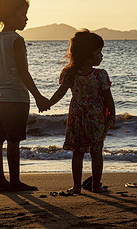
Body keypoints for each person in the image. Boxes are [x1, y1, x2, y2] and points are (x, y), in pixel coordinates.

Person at [0, 0, 49, 192]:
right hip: (17, 99)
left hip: (1, 98)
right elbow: (23, 71)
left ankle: (0, 182)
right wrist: (39, 97)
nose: (26, 19)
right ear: (11, 17)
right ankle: (14, 182)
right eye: (23, 15)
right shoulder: (17, 40)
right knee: (13, 142)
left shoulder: (0, 39)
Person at [49, 30, 115, 193]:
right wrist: (112, 115)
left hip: (77, 117)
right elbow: (108, 98)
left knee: (77, 153)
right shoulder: (100, 75)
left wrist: (48, 103)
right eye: (99, 53)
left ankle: (77, 187)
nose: (101, 56)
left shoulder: (69, 73)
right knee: (96, 152)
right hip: (96, 118)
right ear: (87, 56)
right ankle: (96, 186)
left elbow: (60, 93)